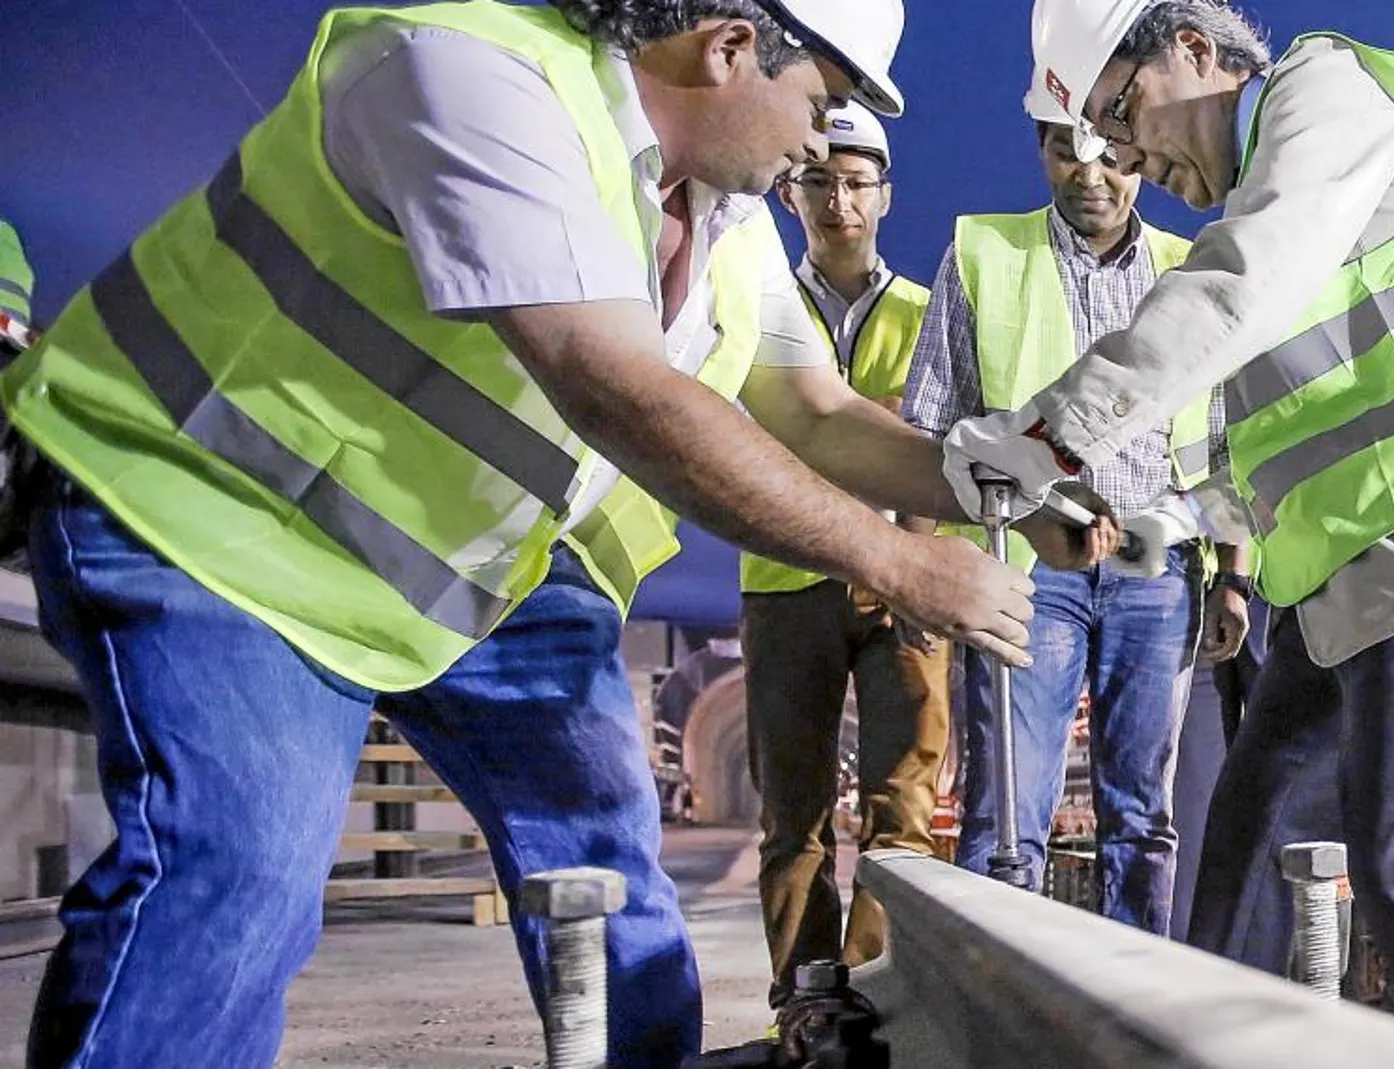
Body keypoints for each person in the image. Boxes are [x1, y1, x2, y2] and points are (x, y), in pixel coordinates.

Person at [0, 2, 1108, 1066]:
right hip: (215, 515)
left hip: (456, 572)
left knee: (605, 857)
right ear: (731, 47)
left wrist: (989, 487)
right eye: (819, 102)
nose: (819, 144)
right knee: (235, 875)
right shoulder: (477, 78)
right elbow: (616, 388)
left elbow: (811, 410)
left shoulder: (728, 228)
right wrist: (897, 560)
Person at [943, 1, 1394, 1064]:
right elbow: (1240, 462)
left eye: (1121, 111)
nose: (1126, 155)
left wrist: (1040, 441)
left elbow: (1236, 290)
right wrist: (1141, 529)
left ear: (1195, 53)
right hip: (1347, 572)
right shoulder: (1258, 212)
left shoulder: (1328, 93)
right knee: (1247, 844)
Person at [906, 91, 1249, 937]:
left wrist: (1235, 579)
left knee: (1142, 813)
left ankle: (1131, 1002)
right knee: (1007, 810)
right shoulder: (982, 252)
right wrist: (915, 574)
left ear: (1133, 155)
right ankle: (1001, 996)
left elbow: (1225, 440)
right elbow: (929, 419)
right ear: (1040, 149)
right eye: (1066, 152)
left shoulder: (1187, 268)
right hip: (1027, 566)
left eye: (1105, 155)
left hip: (1156, 563)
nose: (1089, 175)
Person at [737, 101, 952, 1012]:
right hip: (785, 579)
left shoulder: (929, 309)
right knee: (794, 815)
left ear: (885, 195)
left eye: (857, 181)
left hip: (905, 575)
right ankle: (802, 996)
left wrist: (921, 564)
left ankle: (873, 990)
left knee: (902, 807)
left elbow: (940, 444)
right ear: (791, 192)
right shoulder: (755, 306)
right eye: (818, 179)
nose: (838, 200)